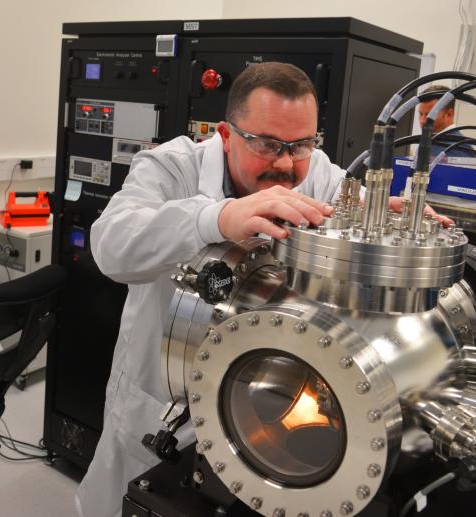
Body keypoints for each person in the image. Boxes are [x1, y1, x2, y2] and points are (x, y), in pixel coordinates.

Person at [77, 62, 450, 517]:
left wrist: (379, 218)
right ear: (227, 134)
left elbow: (347, 214)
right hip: (163, 397)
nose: (286, 163)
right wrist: (214, 218)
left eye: (302, 145)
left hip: (257, 405)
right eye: (268, 144)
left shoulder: (316, 174)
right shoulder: (173, 167)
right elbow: (110, 246)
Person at [417, 84, 476, 159]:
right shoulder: (430, 141)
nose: (422, 121)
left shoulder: (458, 149)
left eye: (429, 115)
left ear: (449, 114)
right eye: (420, 114)